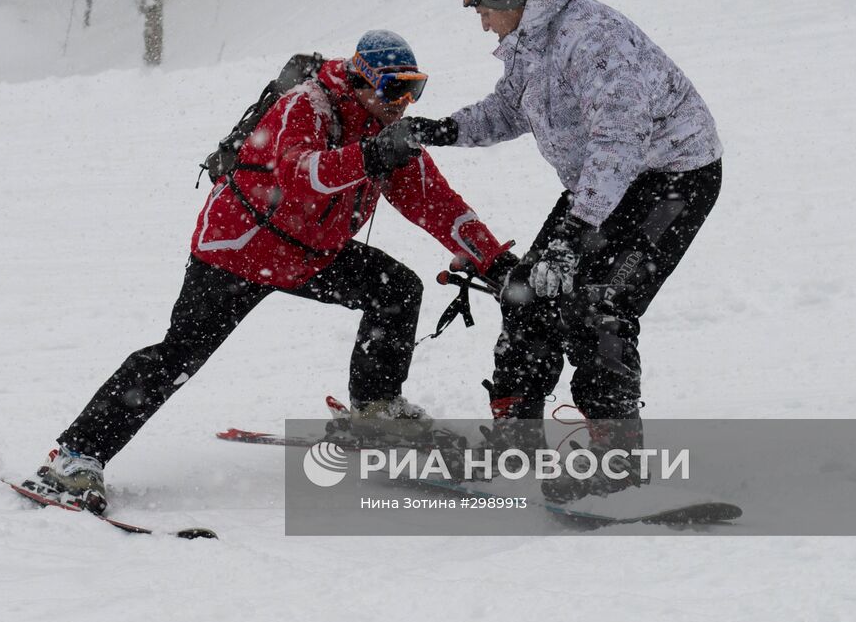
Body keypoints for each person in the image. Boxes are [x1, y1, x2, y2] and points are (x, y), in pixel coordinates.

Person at [26, 30, 513, 514]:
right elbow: (303, 177)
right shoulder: (309, 105)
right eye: (394, 89)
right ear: (362, 79)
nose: (404, 103)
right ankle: (76, 456)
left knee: (396, 289)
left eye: (416, 89)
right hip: (239, 251)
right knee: (180, 353)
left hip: (309, 256)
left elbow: (438, 205)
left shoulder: (383, 133)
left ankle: (376, 411)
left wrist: (496, 262)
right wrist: (371, 156)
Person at [402, 0, 723, 501]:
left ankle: (617, 462)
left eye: (480, 7)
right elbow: (506, 110)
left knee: (599, 305)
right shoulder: (530, 40)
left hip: (672, 176)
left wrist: (573, 237)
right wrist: (435, 131)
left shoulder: (592, 38)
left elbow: (620, 140)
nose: (479, 22)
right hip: (602, 184)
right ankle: (516, 441)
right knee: (527, 291)